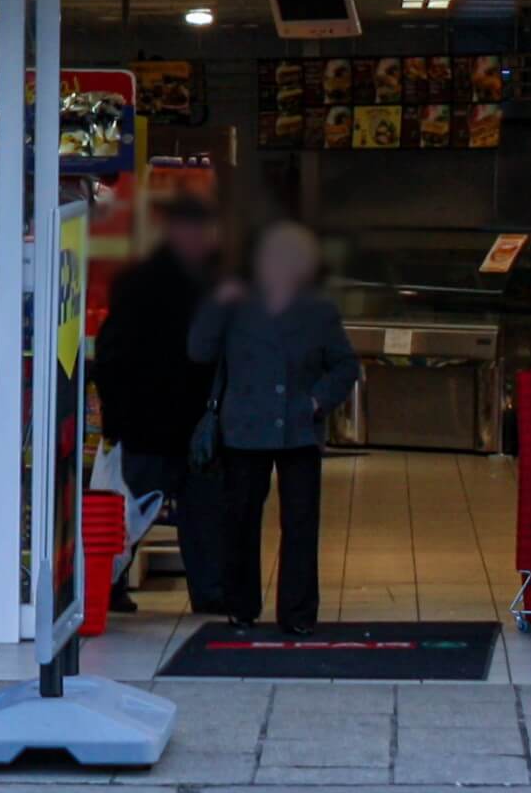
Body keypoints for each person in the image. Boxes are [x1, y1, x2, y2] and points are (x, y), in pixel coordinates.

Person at [188, 222, 358, 635]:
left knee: (300, 523)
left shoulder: (318, 310)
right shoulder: (234, 303)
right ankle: (241, 605)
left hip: (298, 429)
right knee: (241, 519)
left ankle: (298, 613)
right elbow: (199, 349)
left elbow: (345, 365)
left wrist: (316, 400)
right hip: (244, 428)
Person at [94, 194, 226, 614]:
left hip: (169, 421)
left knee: (142, 511)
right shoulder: (180, 283)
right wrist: (117, 418)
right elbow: (113, 355)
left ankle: (114, 585)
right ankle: (205, 597)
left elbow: (110, 353)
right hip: (164, 421)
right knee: (146, 512)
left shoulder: (200, 281)